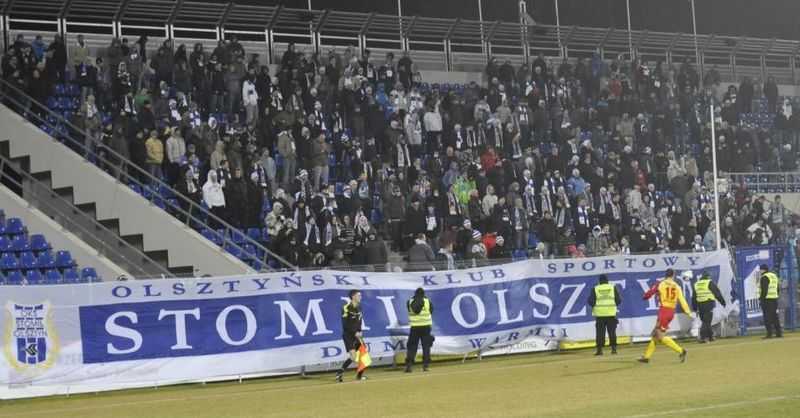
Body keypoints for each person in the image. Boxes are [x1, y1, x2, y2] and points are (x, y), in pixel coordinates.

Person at [637, 268, 693, 364]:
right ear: (673, 275)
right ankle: (646, 357)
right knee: (656, 335)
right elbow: (682, 301)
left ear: (665, 275)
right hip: (671, 312)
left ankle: (681, 351)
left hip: (663, 311)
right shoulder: (677, 286)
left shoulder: (661, 283)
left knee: (660, 336)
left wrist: (645, 296)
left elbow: (651, 291)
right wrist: (688, 312)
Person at [336, 289, 368, 382]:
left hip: (357, 335)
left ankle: (359, 376)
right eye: (359, 295)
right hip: (348, 335)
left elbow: (359, 322)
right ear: (353, 296)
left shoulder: (359, 308)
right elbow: (345, 325)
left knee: (364, 353)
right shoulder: (346, 308)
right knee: (353, 356)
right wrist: (355, 332)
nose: (360, 297)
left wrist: (360, 331)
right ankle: (339, 374)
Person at [587, 274, 622, 355]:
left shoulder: (595, 289)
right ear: (607, 280)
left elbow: (591, 301)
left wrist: (597, 305)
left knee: (600, 332)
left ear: (599, 281)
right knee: (612, 331)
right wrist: (612, 305)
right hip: (611, 313)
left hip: (599, 314)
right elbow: (619, 300)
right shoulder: (612, 288)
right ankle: (614, 349)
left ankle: (599, 350)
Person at [690, 270, 726, 343]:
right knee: (707, 321)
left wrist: (694, 308)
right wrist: (723, 302)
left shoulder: (696, 284)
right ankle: (702, 337)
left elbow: (694, 297)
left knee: (705, 321)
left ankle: (710, 336)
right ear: (708, 277)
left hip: (700, 305)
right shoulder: (709, 282)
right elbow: (717, 293)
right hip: (708, 304)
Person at [405, 288, 433, 373]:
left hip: (414, 327)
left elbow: (409, 311)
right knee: (426, 346)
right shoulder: (427, 301)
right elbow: (431, 311)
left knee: (412, 346)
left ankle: (409, 365)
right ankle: (425, 366)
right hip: (426, 326)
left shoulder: (409, 302)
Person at [758, 264, 783, 338]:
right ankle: (778, 332)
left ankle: (769, 333)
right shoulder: (773, 276)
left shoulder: (764, 277)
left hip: (767, 300)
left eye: (760, 269)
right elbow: (777, 288)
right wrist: (776, 296)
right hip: (774, 299)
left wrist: (761, 299)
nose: (759, 271)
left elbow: (764, 290)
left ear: (762, 270)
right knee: (774, 316)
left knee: (767, 317)